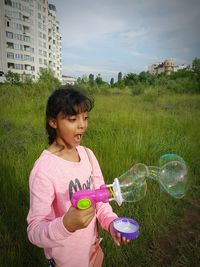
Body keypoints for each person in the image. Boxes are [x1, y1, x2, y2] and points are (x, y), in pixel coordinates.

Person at [27, 87, 130, 267]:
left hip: (93, 249)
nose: (82, 125)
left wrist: (111, 222)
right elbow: (35, 230)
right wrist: (66, 224)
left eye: (85, 118)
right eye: (73, 119)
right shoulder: (44, 170)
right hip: (66, 260)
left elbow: (101, 199)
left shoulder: (88, 155)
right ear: (53, 122)